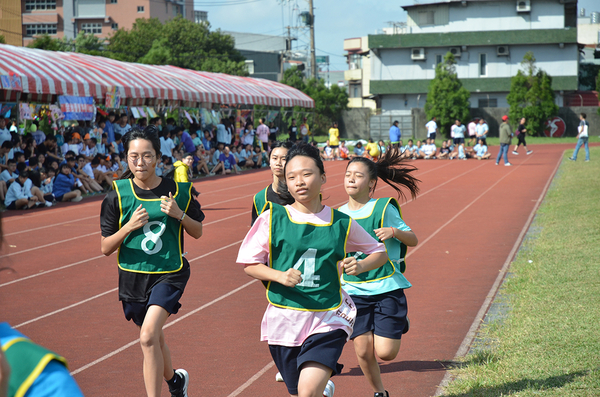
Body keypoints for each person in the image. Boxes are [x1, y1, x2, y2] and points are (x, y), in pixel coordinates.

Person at [236, 143, 389, 397]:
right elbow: (249, 263)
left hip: (328, 316)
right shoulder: (272, 218)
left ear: (323, 177)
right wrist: (279, 276)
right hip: (284, 317)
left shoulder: (341, 223)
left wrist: (360, 265)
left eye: (307, 174)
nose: (299, 182)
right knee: (300, 392)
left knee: (307, 392)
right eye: (291, 177)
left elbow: (380, 252)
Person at [100, 126, 204, 397]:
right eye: (133, 156)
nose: (140, 162)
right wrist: (127, 228)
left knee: (147, 336)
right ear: (126, 158)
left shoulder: (178, 191)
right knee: (155, 338)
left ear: (158, 156)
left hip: (169, 272)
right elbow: (105, 247)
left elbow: (198, 231)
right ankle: (175, 382)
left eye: (146, 156)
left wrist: (180, 214)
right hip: (133, 275)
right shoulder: (117, 194)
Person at [339, 150, 419, 397]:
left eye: (358, 176)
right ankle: (380, 393)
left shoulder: (383, 208)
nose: (351, 179)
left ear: (371, 183)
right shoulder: (338, 215)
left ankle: (398, 321)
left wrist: (394, 232)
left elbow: (413, 239)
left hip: (386, 288)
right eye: (347, 174)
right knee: (363, 351)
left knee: (386, 353)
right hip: (354, 290)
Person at [251, 140, 294, 225]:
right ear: (269, 161)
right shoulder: (260, 198)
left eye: (284, 159)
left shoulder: (300, 194)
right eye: (274, 158)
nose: (278, 163)